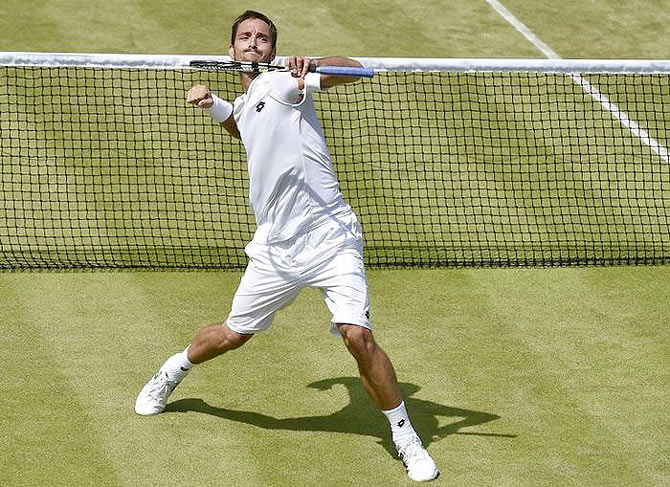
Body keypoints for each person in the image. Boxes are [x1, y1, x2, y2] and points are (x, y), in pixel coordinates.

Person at [134, 10, 439, 483]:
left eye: (262, 37)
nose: (253, 42)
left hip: (330, 236)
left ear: (273, 50)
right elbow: (250, 132)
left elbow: (359, 69)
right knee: (234, 334)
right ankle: (173, 370)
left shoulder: (284, 83)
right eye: (245, 37)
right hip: (276, 247)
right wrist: (215, 104)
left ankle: (405, 435)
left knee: (357, 335)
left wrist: (311, 65)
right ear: (232, 51)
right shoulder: (251, 96)